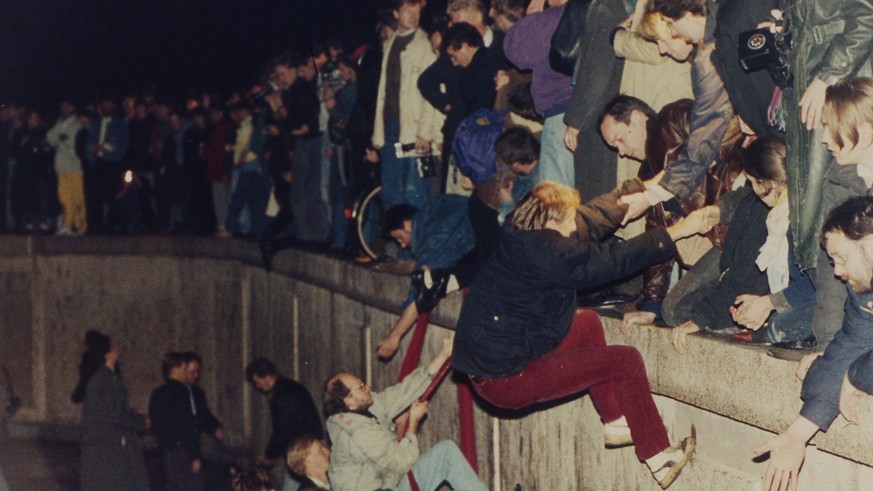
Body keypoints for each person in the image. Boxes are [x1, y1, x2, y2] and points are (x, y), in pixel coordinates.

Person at [452, 181, 706, 489]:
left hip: (497, 364)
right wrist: (675, 232)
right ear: (549, 222)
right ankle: (658, 457)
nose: (574, 226)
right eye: (567, 220)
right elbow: (614, 260)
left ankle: (615, 420)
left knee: (586, 322)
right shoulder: (547, 252)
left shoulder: (526, 238)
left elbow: (588, 218)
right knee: (626, 361)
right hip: (507, 380)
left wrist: (633, 195)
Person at [754, 196, 873, 491]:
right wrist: (796, 436)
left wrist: (857, 375)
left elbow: (856, 365)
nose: (836, 271)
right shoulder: (863, 292)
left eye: (842, 258)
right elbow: (848, 347)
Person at [324, 333, 488, 491]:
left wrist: (443, 354)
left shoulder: (365, 409)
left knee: (446, 453)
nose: (367, 387)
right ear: (349, 400)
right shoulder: (357, 432)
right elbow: (402, 463)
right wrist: (413, 423)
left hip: (389, 484)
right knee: (446, 455)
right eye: (361, 387)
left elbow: (404, 391)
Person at [376, 195, 475, 359]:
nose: (402, 245)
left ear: (407, 224)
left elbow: (424, 290)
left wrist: (395, 335)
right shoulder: (435, 209)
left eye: (399, 238)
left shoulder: (435, 237)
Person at [80, 335, 150, 491]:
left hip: (102, 447)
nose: (116, 350)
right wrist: (142, 422)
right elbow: (116, 415)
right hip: (110, 448)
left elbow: (109, 408)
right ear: (108, 354)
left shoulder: (100, 378)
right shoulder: (108, 379)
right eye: (113, 347)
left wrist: (132, 411)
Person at [149, 352, 225, 491]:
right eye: (189, 370)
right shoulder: (180, 393)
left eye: (198, 372)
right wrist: (194, 454)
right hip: (181, 450)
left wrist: (215, 427)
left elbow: (203, 415)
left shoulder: (192, 393)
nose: (195, 375)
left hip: (168, 451)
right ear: (177, 369)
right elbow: (185, 425)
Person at [245, 358, 323, 491]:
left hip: (302, 450)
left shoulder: (281, 395)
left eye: (257, 382)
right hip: (310, 444)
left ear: (266, 376)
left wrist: (269, 455)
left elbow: (282, 430)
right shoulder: (291, 386)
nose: (257, 386)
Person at [46, 99, 86, 235]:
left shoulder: (78, 122)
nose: (65, 109)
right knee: (64, 197)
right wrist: (60, 138)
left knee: (78, 197)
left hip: (75, 165)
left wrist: (61, 139)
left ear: (73, 107)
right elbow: (50, 137)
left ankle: (80, 225)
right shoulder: (60, 122)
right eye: (63, 106)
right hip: (61, 166)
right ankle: (67, 224)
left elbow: (73, 141)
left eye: (68, 106)